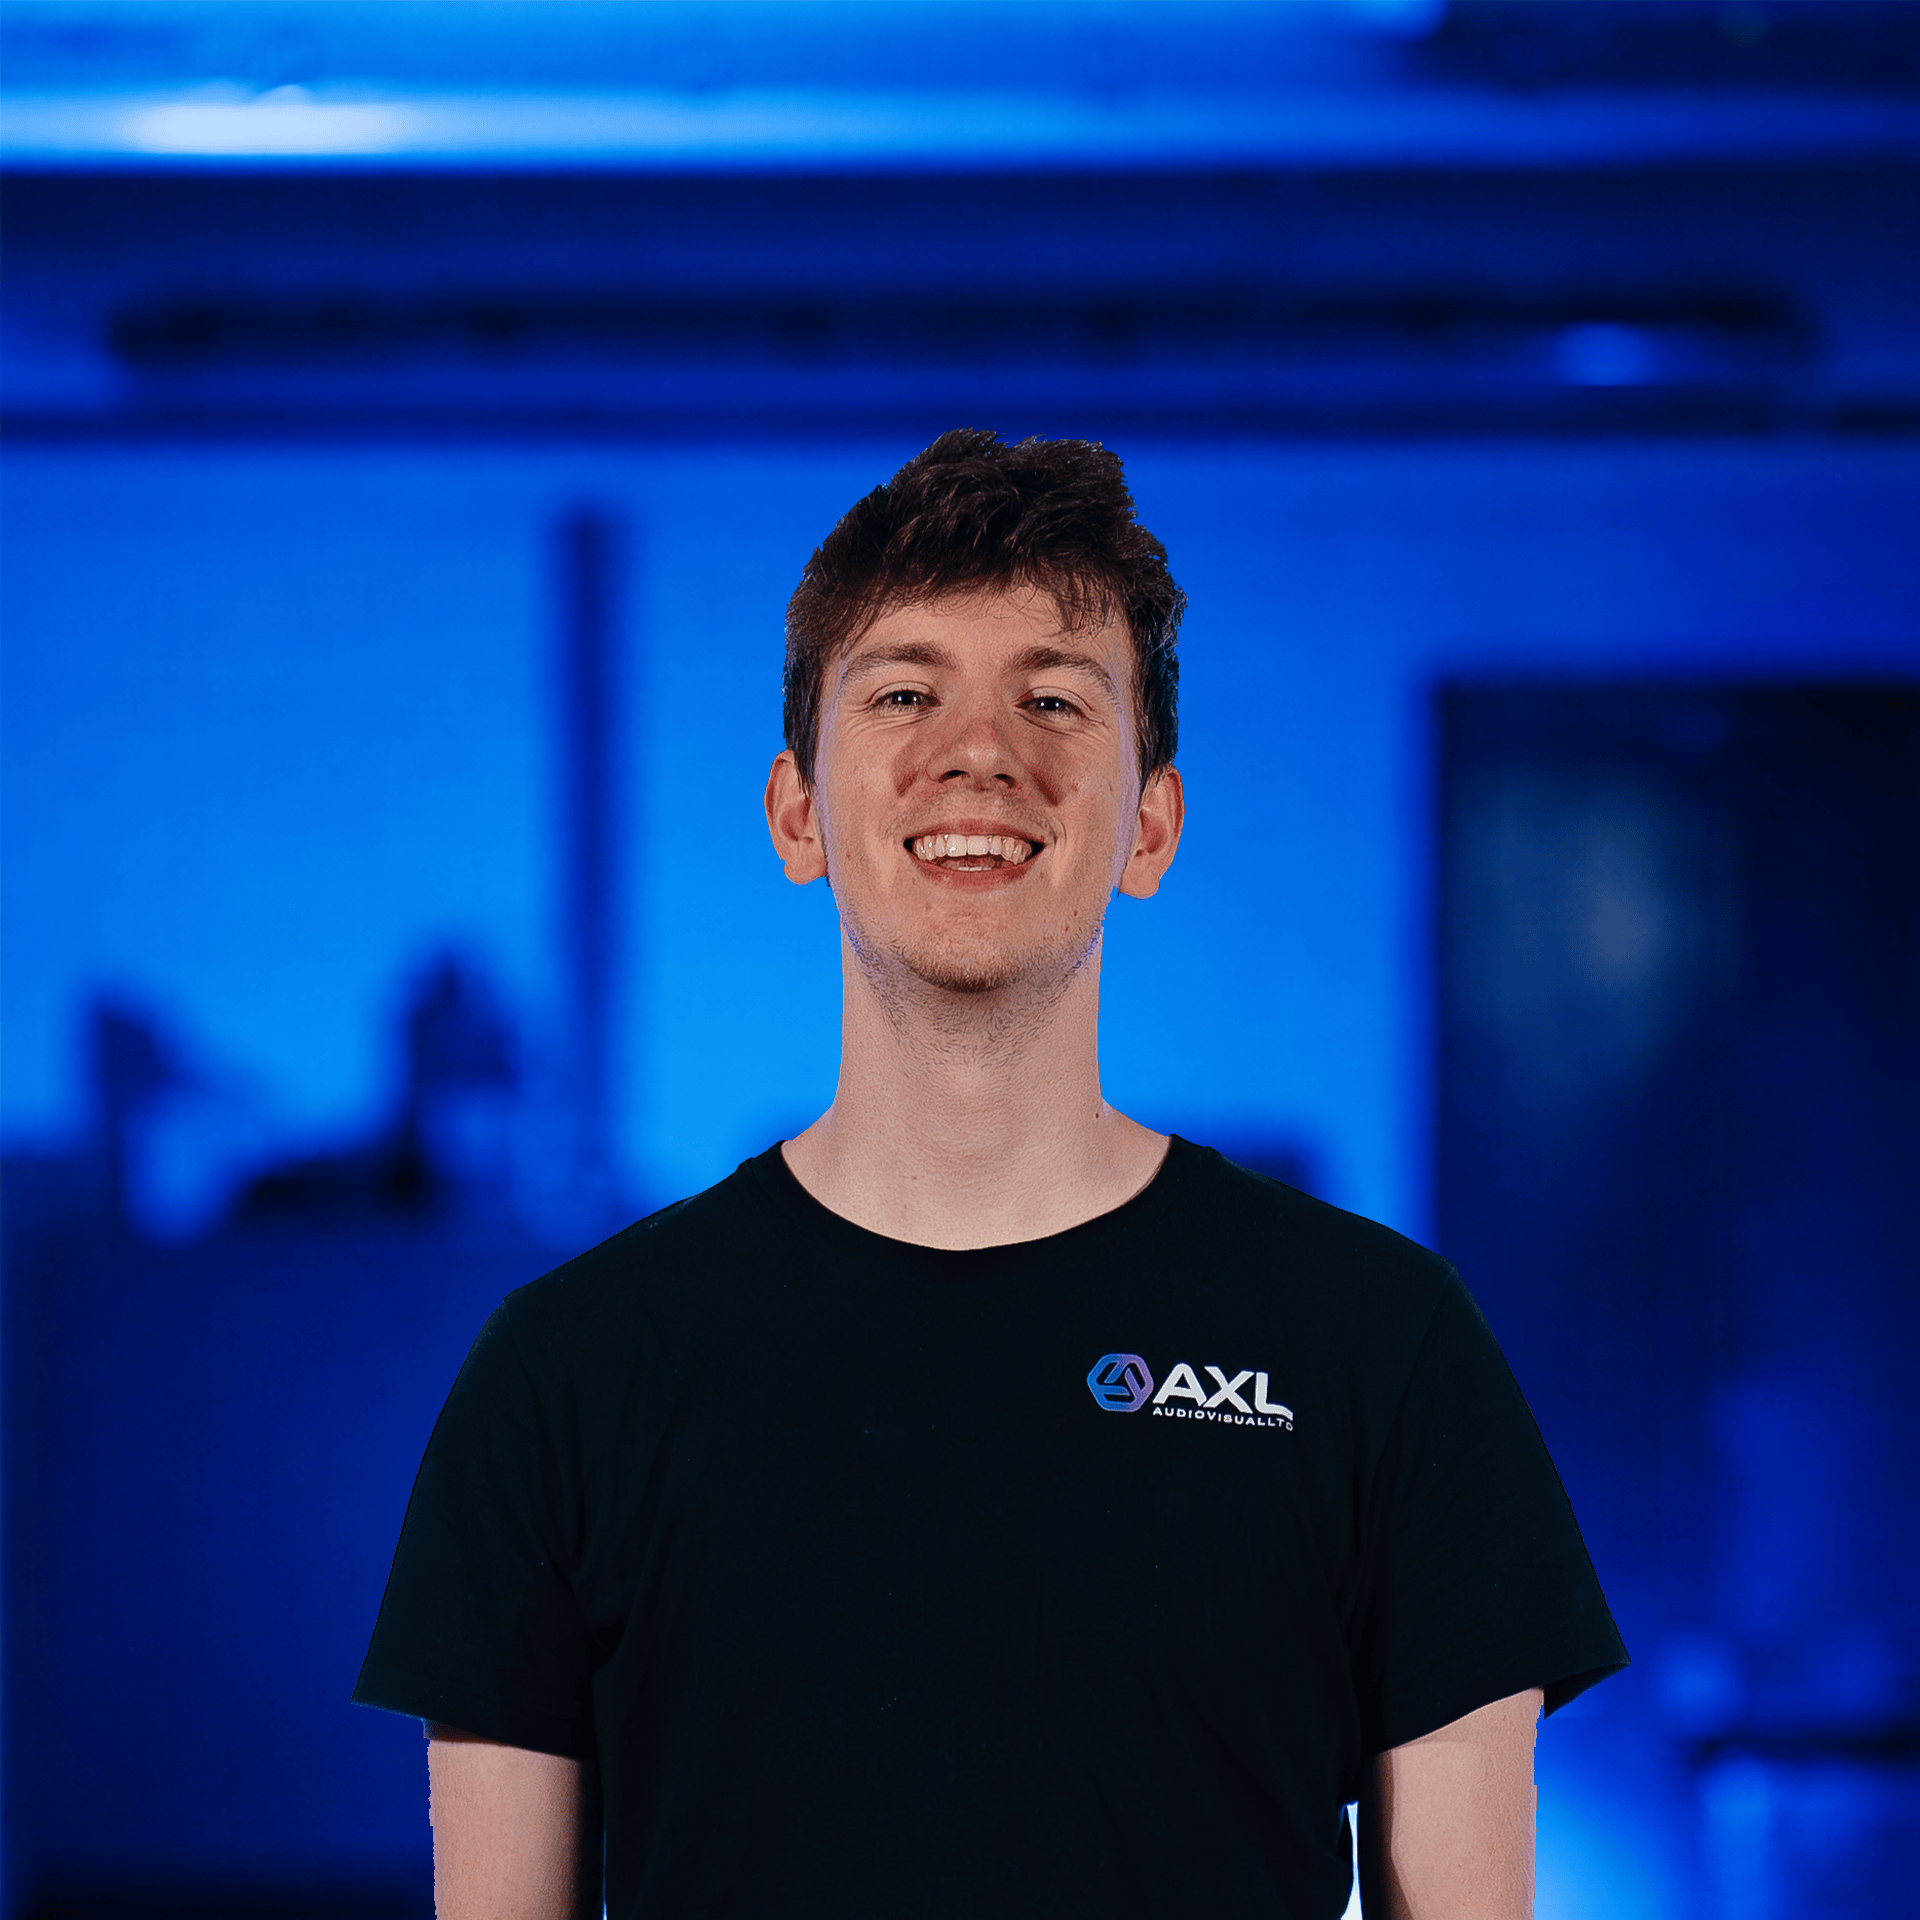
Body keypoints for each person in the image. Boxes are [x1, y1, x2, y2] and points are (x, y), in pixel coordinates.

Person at [354, 430, 1626, 1920]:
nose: (979, 752)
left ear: (1148, 823)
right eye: (902, 692)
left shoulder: (1379, 1351)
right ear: (795, 814)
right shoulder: (566, 1380)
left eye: (1053, 700)